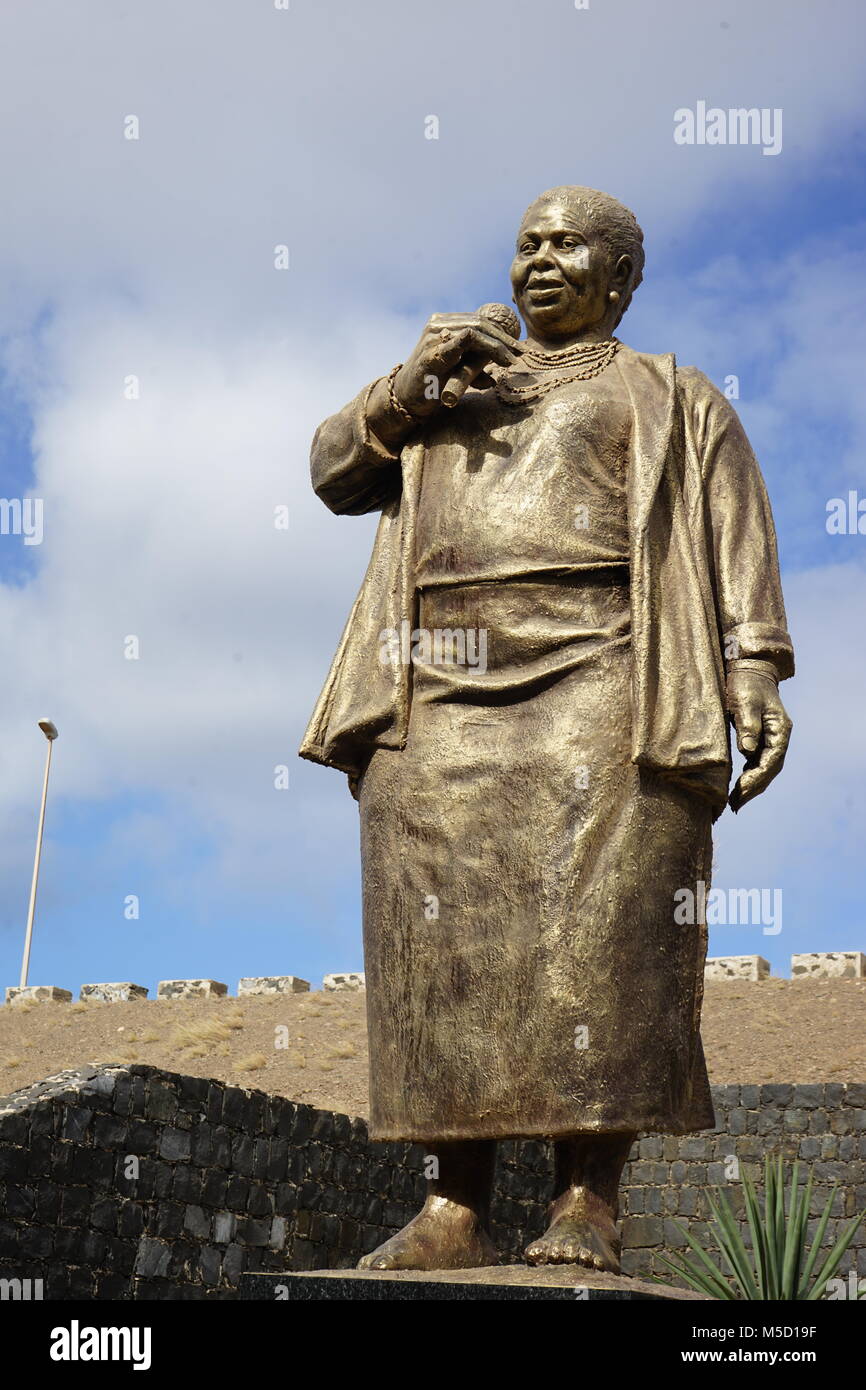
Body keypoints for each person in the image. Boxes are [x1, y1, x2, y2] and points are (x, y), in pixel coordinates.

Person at [300, 186, 794, 1272]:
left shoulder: (670, 393)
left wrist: (750, 665)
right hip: (434, 687)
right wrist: (410, 383)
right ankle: (451, 1206)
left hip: (606, 680)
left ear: (619, 275)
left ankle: (586, 1200)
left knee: (606, 943)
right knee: (440, 947)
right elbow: (333, 470)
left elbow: (732, 532)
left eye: (567, 242)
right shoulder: (446, 384)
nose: (538, 258)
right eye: (526, 241)